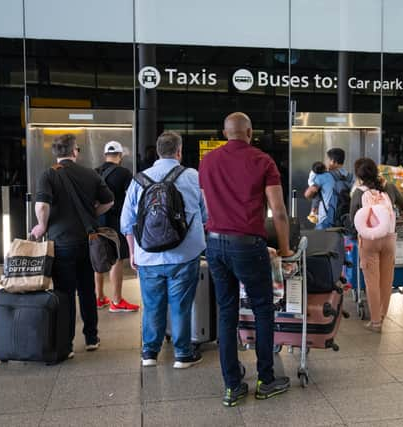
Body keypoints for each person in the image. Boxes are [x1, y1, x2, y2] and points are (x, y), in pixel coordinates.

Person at [199, 112, 294, 407]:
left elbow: (205, 206)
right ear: (249, 132)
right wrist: (285, 248)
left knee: (227, 313)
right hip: (248, 245)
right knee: (263, 310)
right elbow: (278, 211)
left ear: (226, 133)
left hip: (214, 244)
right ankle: (265, 380)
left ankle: (232, 386)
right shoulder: (262, 161)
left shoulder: (207, 162)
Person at [120, 131, 207, 369]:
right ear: (179, 151)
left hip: (148, 255)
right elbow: (205, 214)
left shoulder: (139, 179)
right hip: (184, 254)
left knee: (152, 304)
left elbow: (126, 222)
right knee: (181, 304)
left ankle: (149, 353)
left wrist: (132, 253)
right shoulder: (192, 176)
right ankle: (182, 354)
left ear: (157, 152)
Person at [31, 133, 114, 357]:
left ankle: (66, 345)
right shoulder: (90, 174)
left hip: (61, 243)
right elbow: (109, 200)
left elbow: (41, 206)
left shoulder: (48, 174)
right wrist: (91, 214)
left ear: (56, 152)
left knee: (64, 293)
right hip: (87, 241)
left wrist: (41, 225)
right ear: (74, 151)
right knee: (87, 290)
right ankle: (91, 338)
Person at [349, 158, 403, 332]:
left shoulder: (358, 193)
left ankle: (375, 322)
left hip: (369, 240)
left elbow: (352, 218)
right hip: (389, 238)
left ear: (358, 175)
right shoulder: (390, 187)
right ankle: (382, 316)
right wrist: (397, 219)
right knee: (386, 280)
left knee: (372, 282)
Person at [94, 141, 139, 313]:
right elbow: (132, 198)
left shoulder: (95, 172)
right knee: (117, 259)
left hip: (96, 221)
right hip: (115, 222)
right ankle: (117, 301)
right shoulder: (124, 173)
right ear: (120, 156)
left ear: (105, 155)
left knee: (97, 258)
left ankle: (99, 298)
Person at [303, 148, 355, 229]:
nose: (325, 162)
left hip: (325, 220)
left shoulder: (323, 176)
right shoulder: (349, 177)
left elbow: (308, 195)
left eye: (327, 159)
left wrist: (311, 189)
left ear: (333, 161)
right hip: (343, 220)